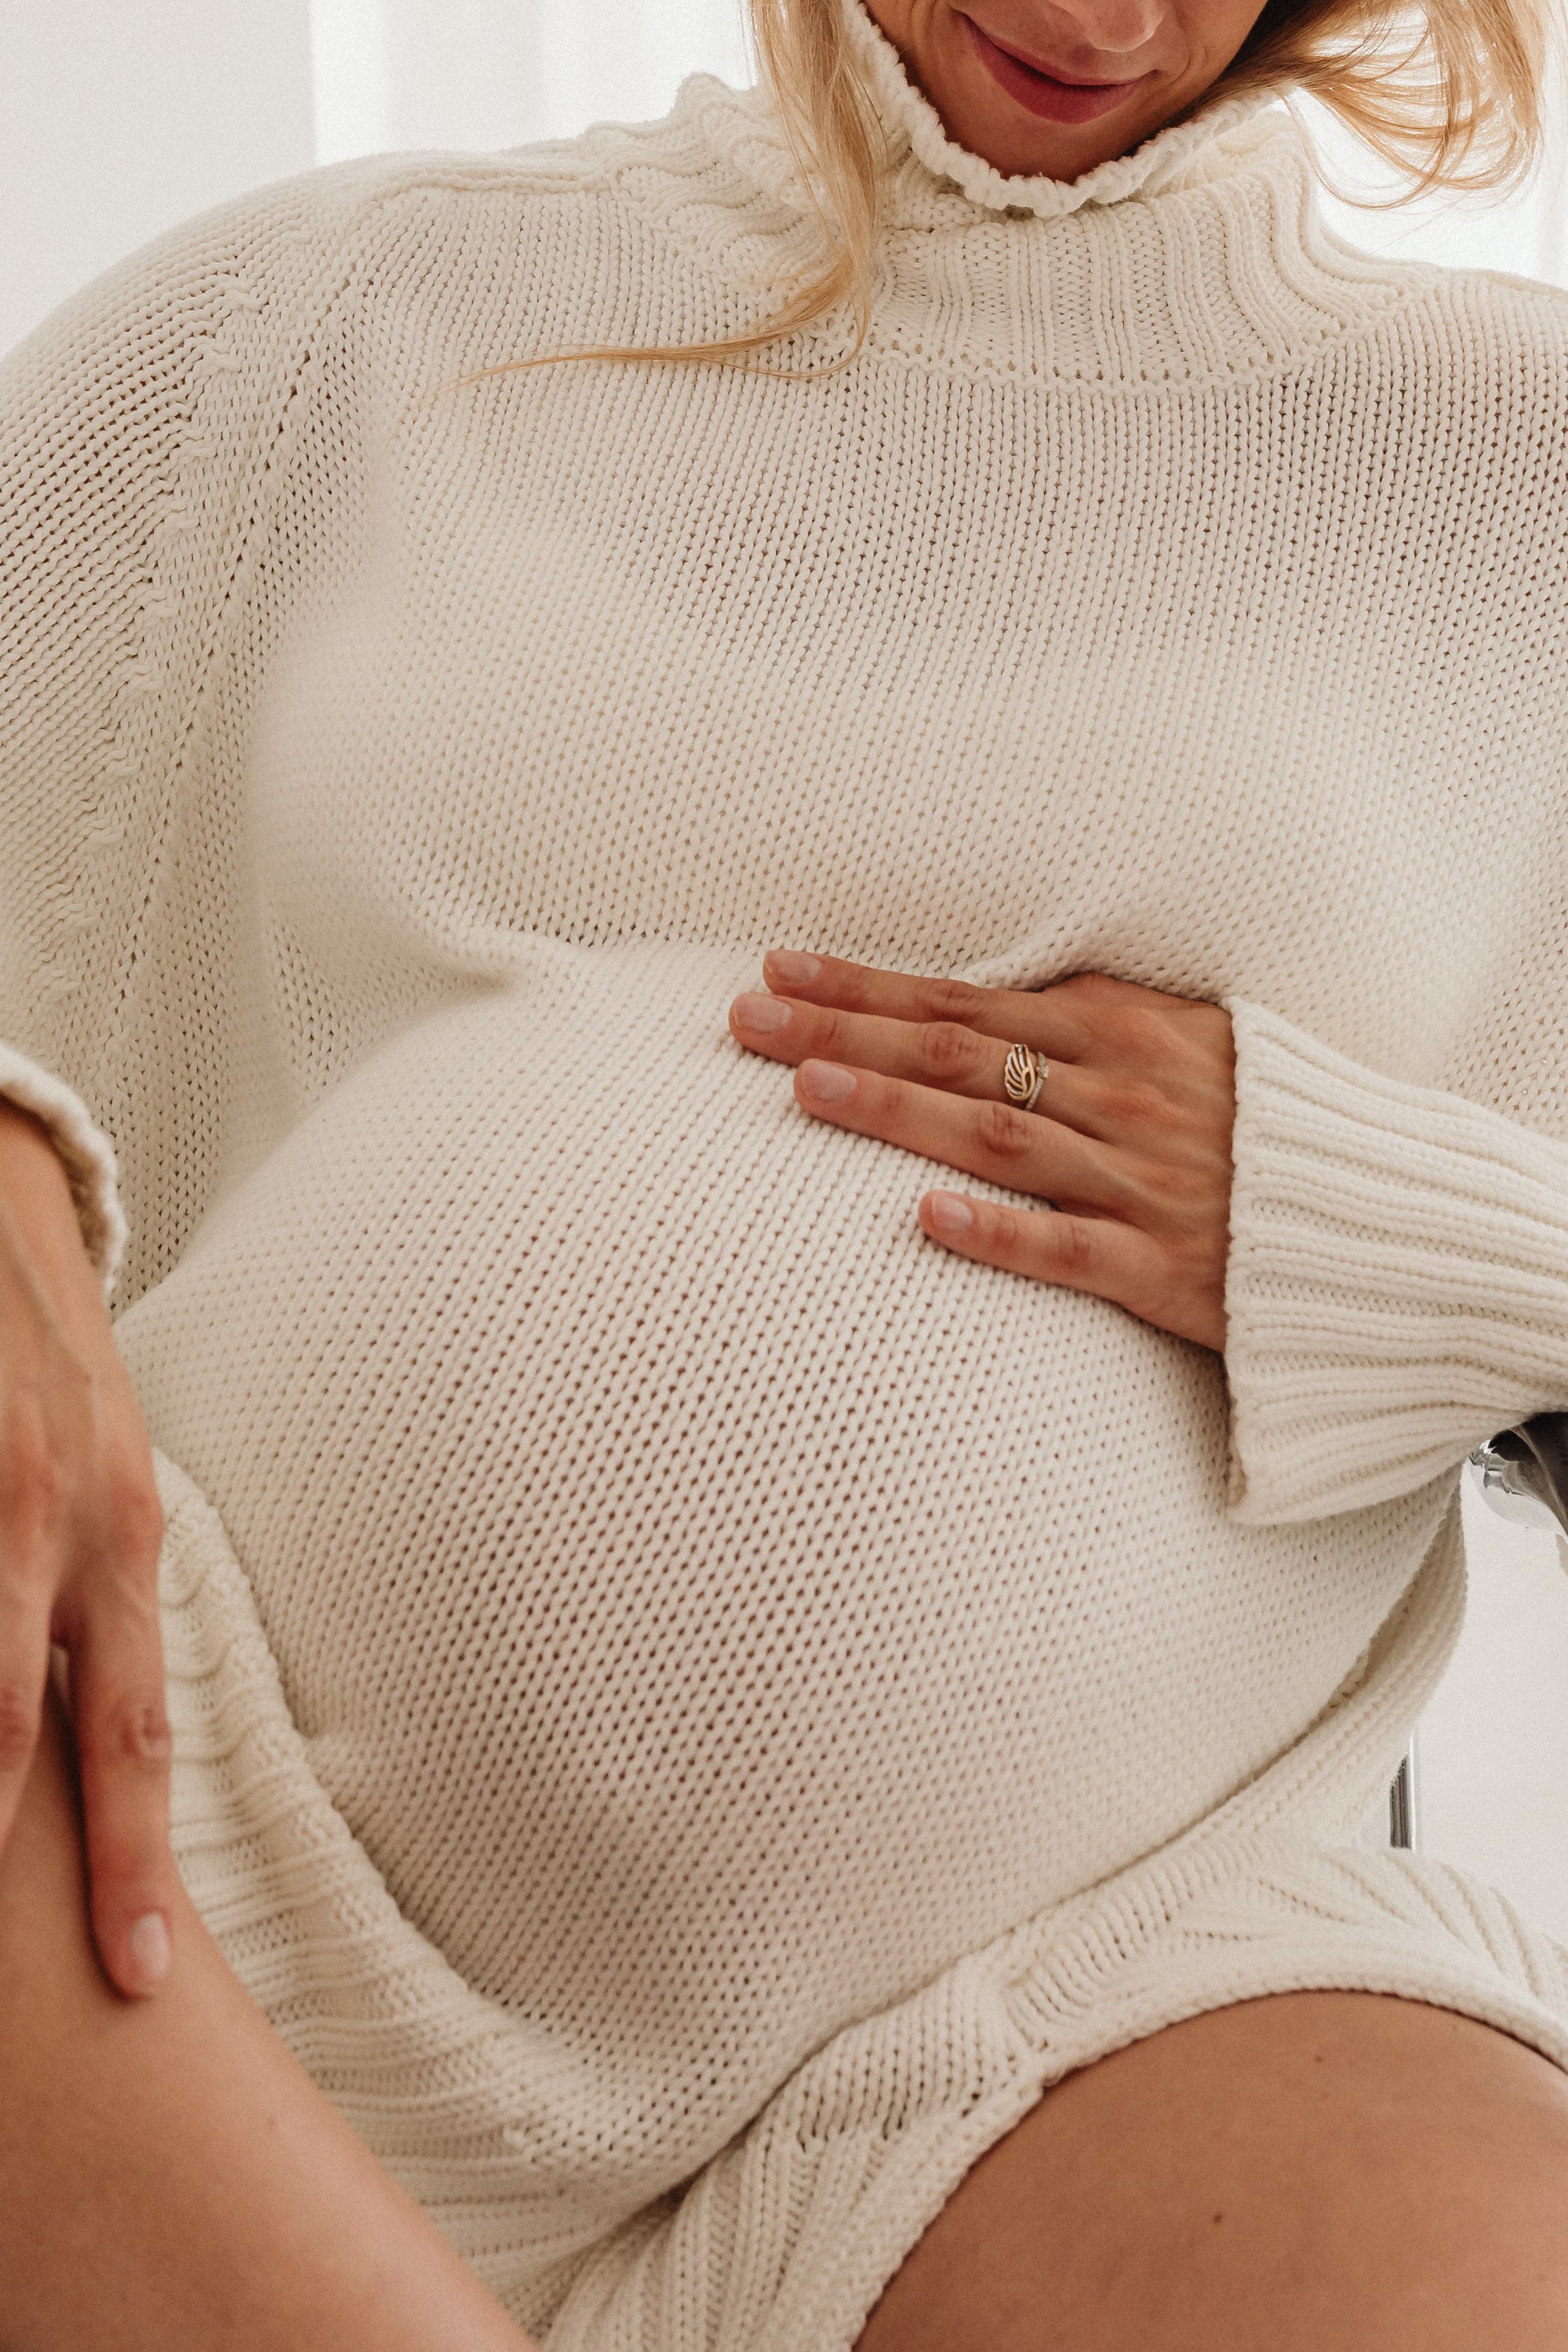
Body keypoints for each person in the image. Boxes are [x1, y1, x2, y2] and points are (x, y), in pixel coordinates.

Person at [3, 0, 1568, 2340]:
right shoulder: (326, 321)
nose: (1098, 16)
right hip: (164, 1844)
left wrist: (1390, 1231)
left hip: (1061, 2016)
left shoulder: (1518, 486)